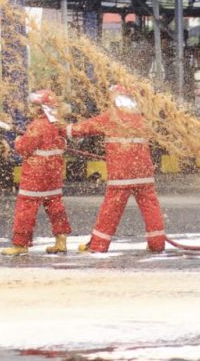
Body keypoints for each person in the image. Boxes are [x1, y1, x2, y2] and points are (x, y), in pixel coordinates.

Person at [66, 84, 165, 253]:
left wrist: (63, 130)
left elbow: (85, 128)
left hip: (121, 175)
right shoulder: (140, 117)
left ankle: (98, 245)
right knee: (150, 207)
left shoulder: (112, 117)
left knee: (111, 210)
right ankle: (157, 244)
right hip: (143, 173)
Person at [1, 89, 73, 256]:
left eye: (33, 106)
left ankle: (21, 244)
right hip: (53, 174)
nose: (30, 109)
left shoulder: (36, 125)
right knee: (55, 206)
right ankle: (61, 241)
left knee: (26, 208)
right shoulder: (56, 124)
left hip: (35, 175)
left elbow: (24, 147)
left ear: (39, 108)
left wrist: (18, 141)